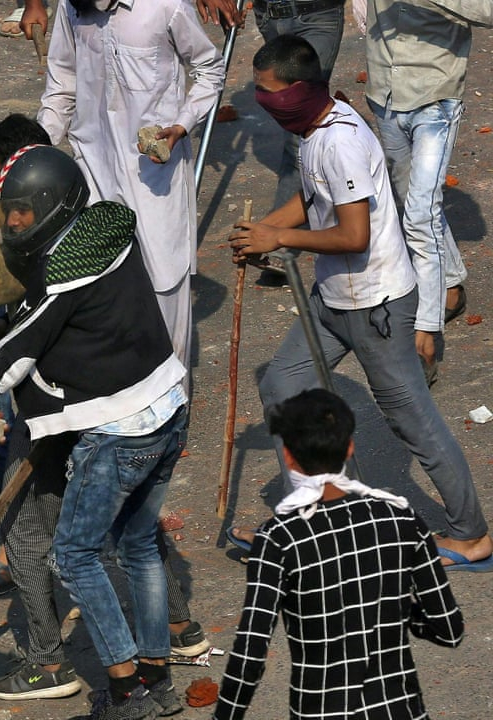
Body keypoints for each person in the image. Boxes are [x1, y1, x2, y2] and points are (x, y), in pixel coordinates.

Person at [0, 117, 212, 701]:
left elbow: (5, 364)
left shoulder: (61, 275)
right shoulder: (105, 225)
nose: (9, 221)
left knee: (68, 554)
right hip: (164, 406)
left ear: (49, 199)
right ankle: (160, 668)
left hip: (107, 424)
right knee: (134, 541)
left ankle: (111, 681)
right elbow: (58, 317)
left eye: (17, 209)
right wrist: (11, 324)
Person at [230, 34, 493, 569]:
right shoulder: (315, 130)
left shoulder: (341, 141)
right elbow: (313, 195)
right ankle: (317, 525)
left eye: (270, 93)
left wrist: (278, 239)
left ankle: (472, 535)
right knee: (282, 385)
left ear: (301, 90)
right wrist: (261, 232)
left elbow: (355, 235)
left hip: (375, 307)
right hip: (332, 299)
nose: (265, 103)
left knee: (413, 421)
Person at [214, 389, 463, 719]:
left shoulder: (279, 539)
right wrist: (396, 611)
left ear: (288, 456)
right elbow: (449, 629)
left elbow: (250, 653)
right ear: (349, 447)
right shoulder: (401, 519)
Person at [38, 0, 224, 373]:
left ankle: (172, 395)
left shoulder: (166, 6)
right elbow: (62, 82)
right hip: (93, 167)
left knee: (163, 283)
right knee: (99, 287)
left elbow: (210, 69)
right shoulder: (72, 7)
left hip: (154, 175)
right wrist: (36, 147)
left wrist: (183, 124)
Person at [365, 0, 492, 383]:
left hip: (435, 97)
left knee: (421, 217)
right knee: (410, 204)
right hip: (385, 92)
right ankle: (450, 287)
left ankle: (425, 338)